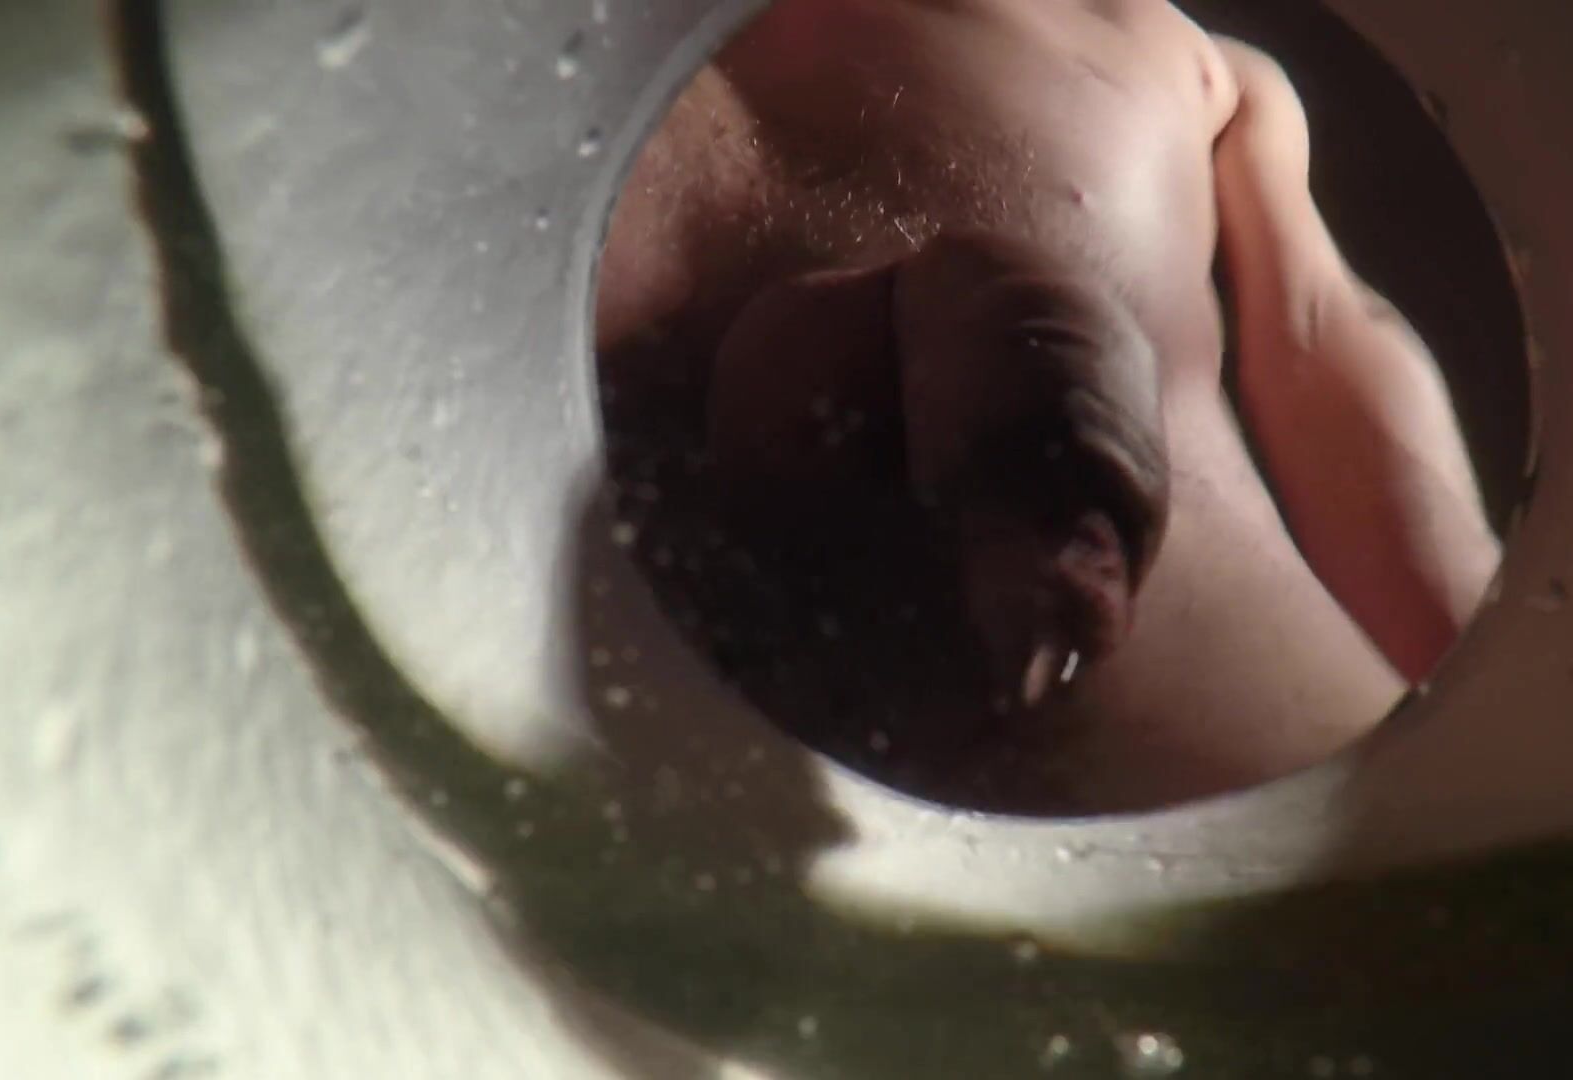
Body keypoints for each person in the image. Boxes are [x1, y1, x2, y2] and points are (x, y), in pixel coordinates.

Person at [595, 0, 1502, 810]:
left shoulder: (1187, 68)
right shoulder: (548, 58)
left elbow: (1323, 342)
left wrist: (1519, 684)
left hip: (1324, 850)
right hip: (634, 845)